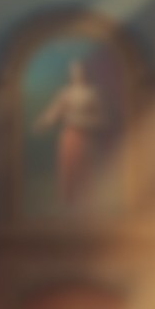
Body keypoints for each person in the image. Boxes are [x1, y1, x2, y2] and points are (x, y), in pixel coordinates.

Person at [34, 59, 109, 204]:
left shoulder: (93, 93)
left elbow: (103, 119)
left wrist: (80, 120)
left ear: (85, 72)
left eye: (80, 71)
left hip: (86, 137)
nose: (77, 74)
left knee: (85, 168)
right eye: (74, 71)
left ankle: (86, 202)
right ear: (70, 74)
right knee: (68, 167)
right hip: (69, 135)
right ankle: (68, 201)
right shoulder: (65, 93)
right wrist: (43, 123)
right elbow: (54, 113)